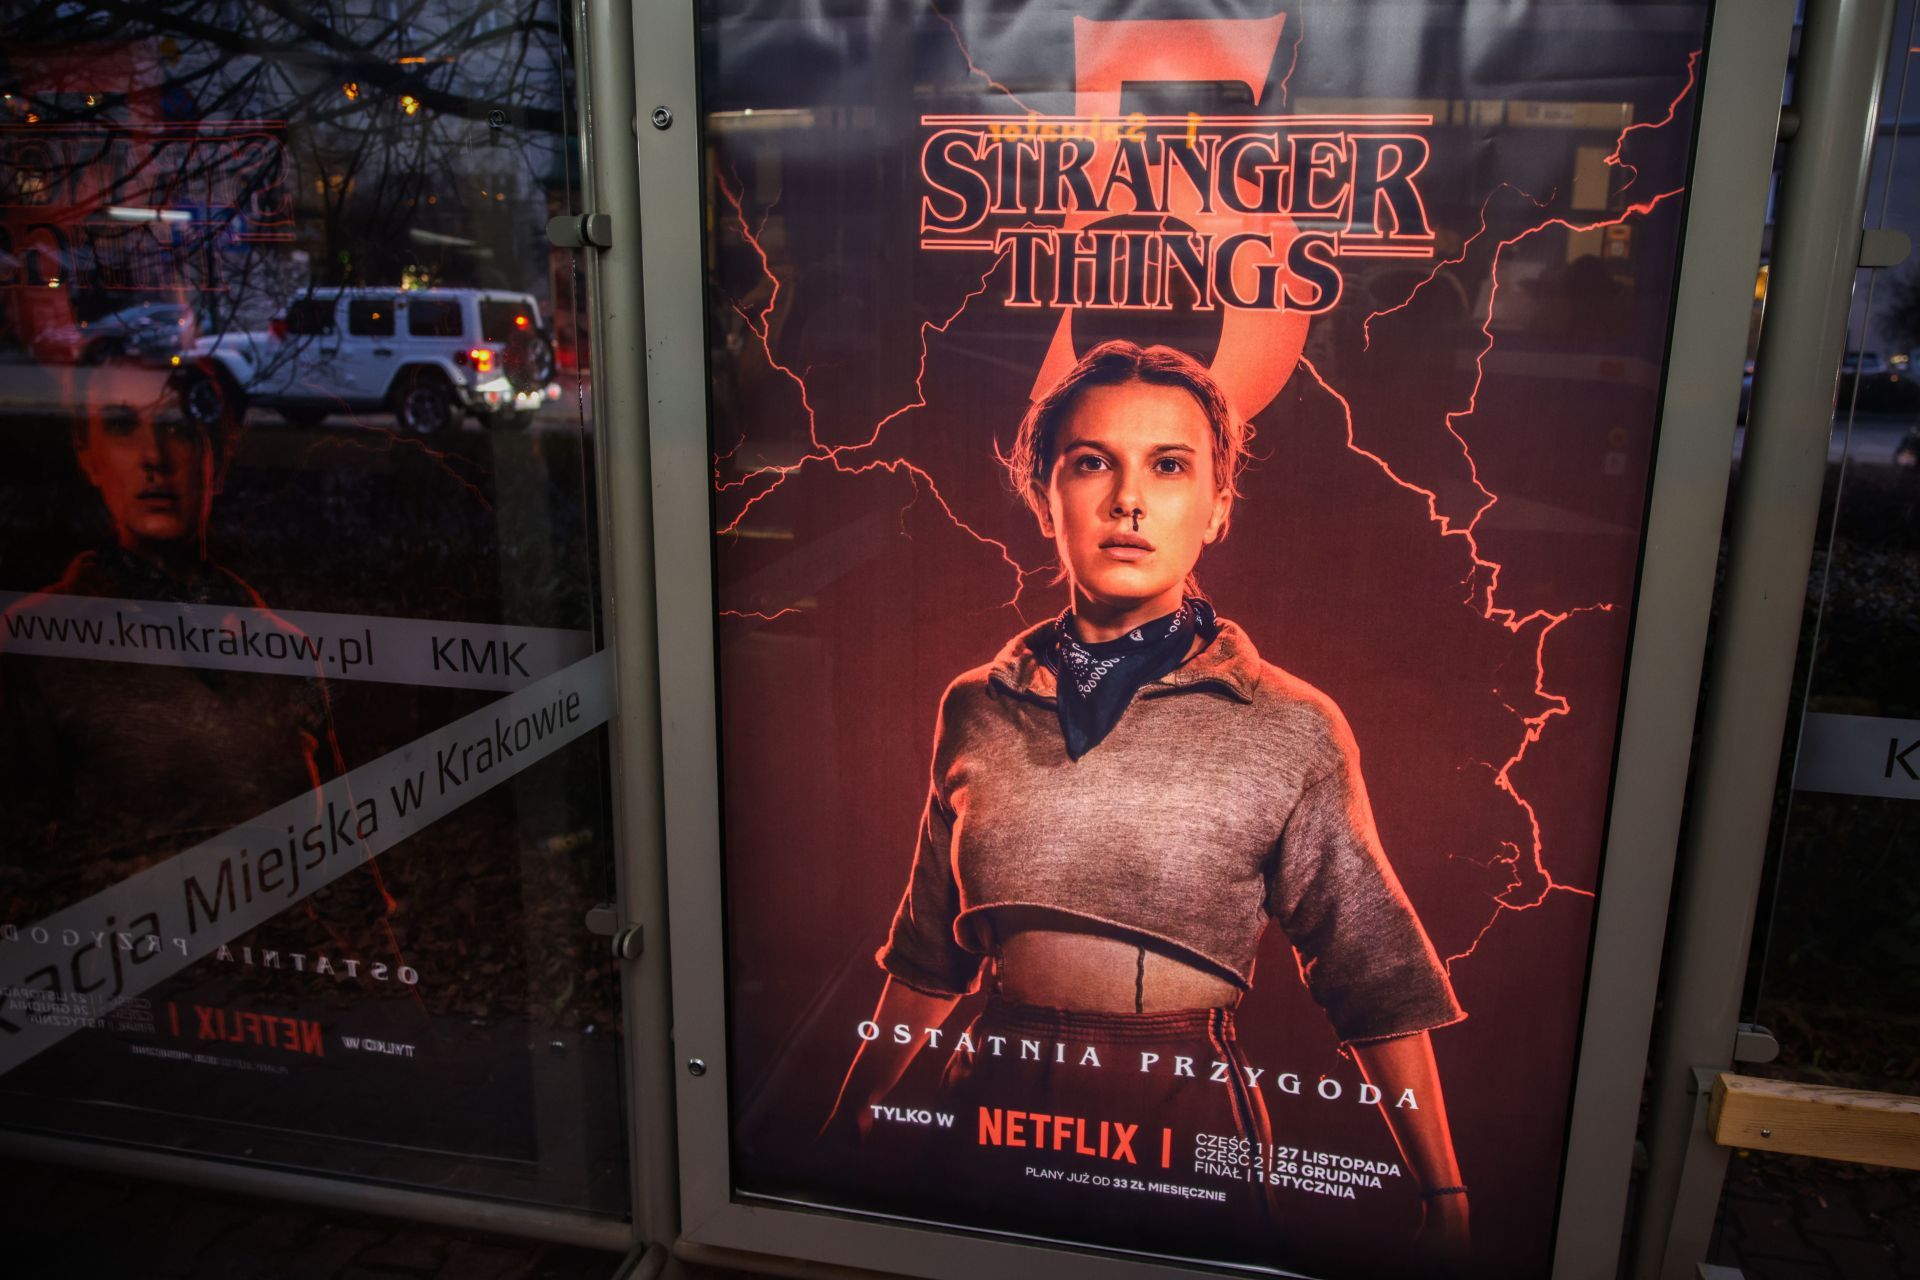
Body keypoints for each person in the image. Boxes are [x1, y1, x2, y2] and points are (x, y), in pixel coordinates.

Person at [824, 341, 1470, 1261]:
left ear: (1218, 505)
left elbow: (1375, 972)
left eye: (1169, 466)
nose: (1129, 500)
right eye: (1093, 462)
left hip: (1183, 1118)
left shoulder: (1289, 724)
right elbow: (931, 951)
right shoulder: (977, 705)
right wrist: (849, 1118)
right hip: (989, 1113)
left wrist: (1444, 1194)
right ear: (1045, 494)